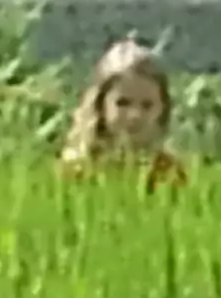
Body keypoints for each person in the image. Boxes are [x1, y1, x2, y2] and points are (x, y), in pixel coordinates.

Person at [60, 39, 188, 189]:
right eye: (123, 103)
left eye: (147, 105)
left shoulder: (167, 171)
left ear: (162, 110)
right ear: (101, 105)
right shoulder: (78, 167)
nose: (135, 115)